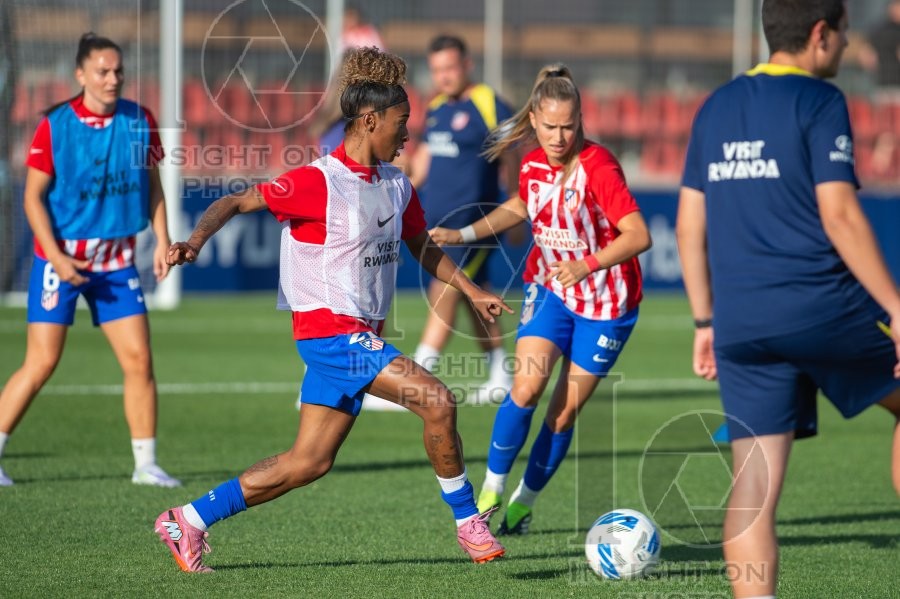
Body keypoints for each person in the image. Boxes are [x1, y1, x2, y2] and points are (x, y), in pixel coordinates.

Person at [154, 47, 510, 573]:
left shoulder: (396, 184)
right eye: (401, 123)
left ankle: (186, 520)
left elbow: (423, 246)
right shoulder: (316, 181)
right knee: (435, 399)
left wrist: (472, 290)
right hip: (329, 333)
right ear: (370, 121)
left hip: (356, 335)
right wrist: (195, 240)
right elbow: (235, 201)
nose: (408, 135)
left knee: (309, 462)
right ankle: (467, 521)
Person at [676, 1, 900, 597]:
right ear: (821, 34)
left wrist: (704, 320)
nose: (849, 47)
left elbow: (688, 226)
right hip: (823, 307)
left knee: (752, 490)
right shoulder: (822, 102)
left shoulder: (716, 106)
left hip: (741, 324)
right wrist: (897, 309)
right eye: (845, 34)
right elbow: (841, 213)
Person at [430, 64, 651, 535]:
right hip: (551, 289)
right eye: (549, 126)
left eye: (568, 126)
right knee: (526, 388)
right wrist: (461, 232)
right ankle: (490, 489)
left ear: (580, 121)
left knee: (564, 409)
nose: (559, 136)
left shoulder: (599, 167)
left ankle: (522, 503)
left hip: (608, 304)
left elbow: (639, 234)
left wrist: (586, 265)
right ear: (533, 119)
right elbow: (519, 207)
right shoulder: (531, 164)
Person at [0, 33, 179, 488]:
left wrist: (162, 239)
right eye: (103, 71)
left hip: (115, 263)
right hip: (61, 262)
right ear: (80, 75)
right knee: (41, 363)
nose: (113, 78)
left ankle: (146, 465)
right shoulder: (55, 125)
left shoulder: (140, 120)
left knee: (139, 360)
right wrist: (57, 258)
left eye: (119, 70)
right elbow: (33, 199)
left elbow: (154, 187)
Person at [407, 35, 516, 406]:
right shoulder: (435, 108)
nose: (443, 76)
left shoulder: (490, 105)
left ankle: (415, 376)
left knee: (447, 289)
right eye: (437, 70)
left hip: (474, 221)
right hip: (435, 223)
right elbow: (421, 163)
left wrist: (517, 211)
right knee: (475, 296)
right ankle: (502, 374)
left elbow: (511, 158)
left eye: (450, 68)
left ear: (467, 65)